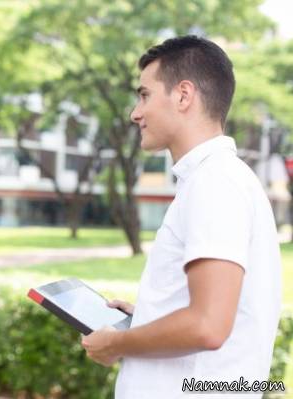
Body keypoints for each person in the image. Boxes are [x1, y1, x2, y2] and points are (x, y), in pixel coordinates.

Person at [81, 36, 282, 398]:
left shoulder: (214, 182)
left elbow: (207, 326)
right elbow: (217, 311)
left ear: (184, 95)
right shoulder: (219, 179)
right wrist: (149, 318)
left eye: (144, 95)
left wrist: (118, 343)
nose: (135, 113)